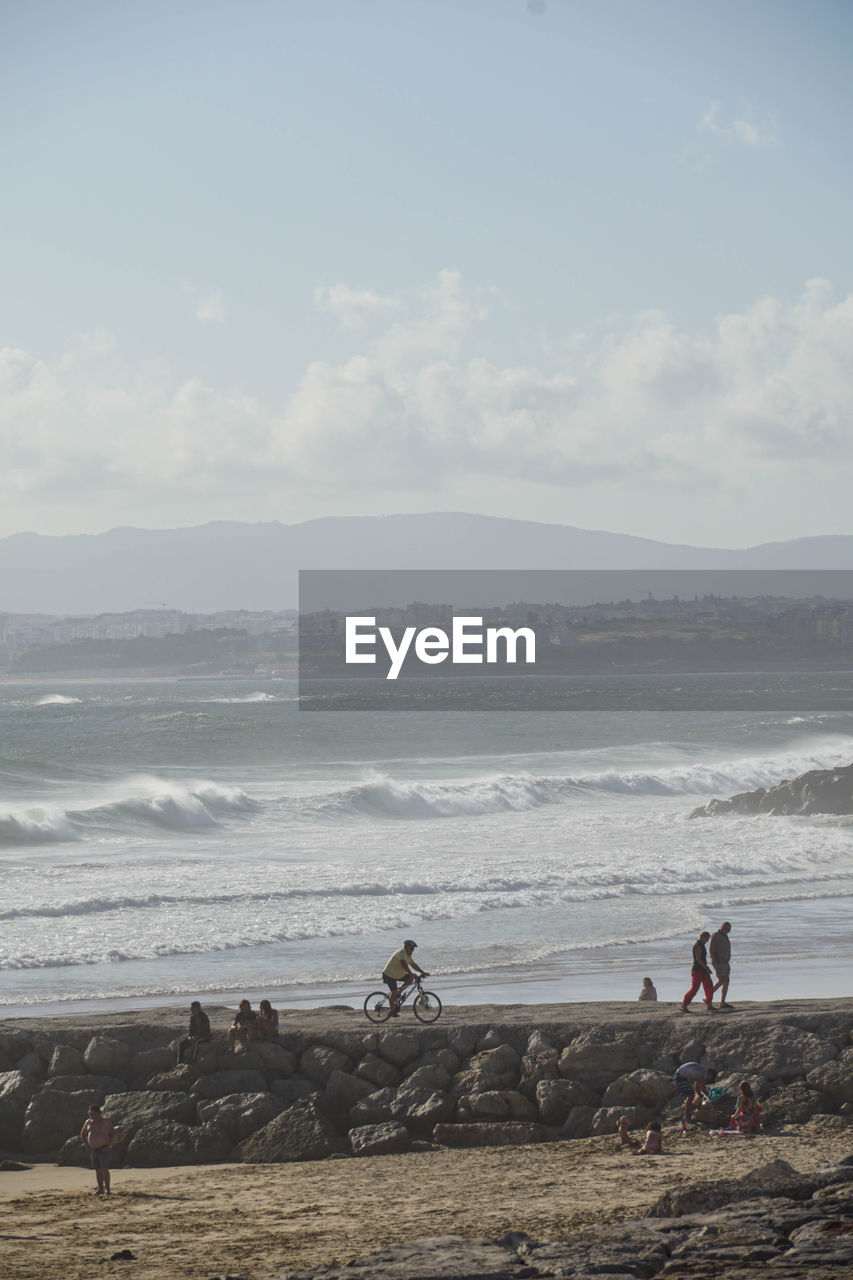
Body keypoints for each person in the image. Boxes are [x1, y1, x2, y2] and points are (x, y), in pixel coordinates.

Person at [382, 939, 429, 1015]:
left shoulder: (408, 956)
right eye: (411, 948)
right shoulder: (402, 953)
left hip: (398, 974)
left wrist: (422, 972)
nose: (412, 950)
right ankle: (392, 1011)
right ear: (406, 947)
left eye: (413, 949)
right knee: (393, 993)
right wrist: (412, 974)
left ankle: (398, 994)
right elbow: (404, 966)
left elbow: (414, 965)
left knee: (410, 979)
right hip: (389, 975)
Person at [80, 1104, 116, 1196]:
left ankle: (108, 1189)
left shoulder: (104, 1122)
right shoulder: (88, 1122)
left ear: (98, 1113)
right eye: (89, 1113)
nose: (90, 1115)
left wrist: (109, 1145)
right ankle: (100, 1188)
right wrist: (87, 1145)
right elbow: (83, 1133)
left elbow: (112, 1132)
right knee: (98, 1170)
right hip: (93, 1150)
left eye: (92, 1113)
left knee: (105, 1169)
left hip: (103, 1148)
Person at [681, 930, 715, 1013]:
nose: (707, 941)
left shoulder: (702, 945)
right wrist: (706, 968)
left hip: (703, 970)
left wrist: (706, 968)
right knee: (695, 989)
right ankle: (684, 1005)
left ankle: (709, 1005)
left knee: (709, 987)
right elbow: (698, 959)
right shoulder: (697, 945)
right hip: (697, 970)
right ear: (703, 937)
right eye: (707, 938)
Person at [710, 921, 733, 1009]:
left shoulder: (725, 936)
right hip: (719, 962)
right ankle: (708, 996)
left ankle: (722, 1002)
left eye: (730, 929)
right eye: (728, 928)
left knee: (726, 980)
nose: (729, 931)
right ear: (723, 927)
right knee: (722, 980)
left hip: (725, 962)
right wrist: (715, 960)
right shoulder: (716, 935)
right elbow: (712, 950)